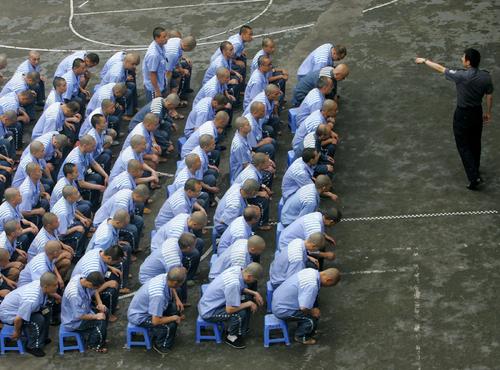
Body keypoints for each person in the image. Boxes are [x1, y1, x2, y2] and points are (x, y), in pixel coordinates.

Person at [415, 49, 494, 189]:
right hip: (477, 113)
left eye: (463, 57)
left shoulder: (460, 76)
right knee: (475, 143)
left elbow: (441, 68)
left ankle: (473, 177)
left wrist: (425, 60)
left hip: (462, 114)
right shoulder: (486, 77)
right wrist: (488, 112)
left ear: (468, 61)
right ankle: (475, 169)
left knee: (463, 145)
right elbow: (489, 95)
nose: (461, 58)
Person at [198, 263, 264, 349]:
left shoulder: (238, 270)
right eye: (254, 280)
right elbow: (230, 310)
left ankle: (241, 329)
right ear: (249, 276)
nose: (254, 282)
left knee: (246, 299)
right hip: (209, 311)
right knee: (240, 314)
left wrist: (255, 293)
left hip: (208, 303)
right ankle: (231, 337)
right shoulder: (234, 284)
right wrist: (249, 303)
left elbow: (240, 288)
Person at [272, 268, 340, 344]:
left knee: (312, 308)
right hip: (282, 310)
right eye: (329, 285)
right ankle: (301, 337)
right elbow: (304, 308)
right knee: (311, 319)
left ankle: (307, 328)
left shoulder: (310, 271)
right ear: (328, 280)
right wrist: (312, 312)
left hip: (278, 299)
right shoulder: (312, 285)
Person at [128, 268, 186, 354]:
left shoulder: (165, 276)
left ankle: (162, 333)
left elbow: (172, 288)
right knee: (170, 325)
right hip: (140, 316)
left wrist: (177, 299)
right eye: (180, 283)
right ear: (175, 282)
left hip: (148, 308)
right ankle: (161, 345)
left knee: (175, 308)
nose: (181, 285)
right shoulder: (158, 296)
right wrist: (174, 318)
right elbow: (155, 321)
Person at [0, 272, 59, 357]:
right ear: (46, 287)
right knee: (38, 319)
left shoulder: (40, 284)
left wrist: (56, 296)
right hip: (10, 315)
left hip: (22, 309)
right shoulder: (31, 299)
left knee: (47, 311)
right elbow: (18, 318)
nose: (57, 287)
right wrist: (17, 332)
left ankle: (42, 338)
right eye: (54, 285)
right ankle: (32, 347)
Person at [71, 246, 124, 322]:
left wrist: (110, 267)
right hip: (85, 287)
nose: (115, 264)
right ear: (109, 258)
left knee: (114, 276)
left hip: (92, 280)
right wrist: (107, 284)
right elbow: (92, 288)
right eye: (115, 262)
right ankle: (106, 312)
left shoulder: (100, 251)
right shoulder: (94, 269)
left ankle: (112, 304)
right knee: (110, 290)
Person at [61, 271, 108, 353]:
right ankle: (94, 345)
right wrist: (96, 316)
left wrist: (100, 303)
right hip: (73, 321)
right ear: (90, 285)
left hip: (85, 309)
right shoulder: (74, 294)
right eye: (94, 287)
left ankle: (98, 336)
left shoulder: (83, 278)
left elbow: (95, 291)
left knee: (104, 311)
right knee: (100, 321)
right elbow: (79, 316)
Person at [93, 186, 149, 252]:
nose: (144, 201)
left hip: (118, 217)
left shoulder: (130, 193)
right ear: (137, 196)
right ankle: (131, 251)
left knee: (139, 220)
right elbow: (116, 222)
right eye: (143, 199)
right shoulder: (122, 204)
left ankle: (135, 245)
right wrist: (117, 241)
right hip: (104, 221)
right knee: (132, 229)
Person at [57, 135, 108, 207]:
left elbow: (94, 163)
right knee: (94, 182)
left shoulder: (85, 152)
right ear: (85, 146)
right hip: (70, 183)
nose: (94, 149)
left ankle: (96, 203)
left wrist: (105, 175)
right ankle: (92, 205)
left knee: (97, 177)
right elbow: (81, 184)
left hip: (80, 175)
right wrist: (100, 187)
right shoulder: (76, 160)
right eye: (92, 146)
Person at [51, 186, 89, 258]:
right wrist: (76, 228)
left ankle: (82, 248)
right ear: (69, 197)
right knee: (80, 231)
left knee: (84, 223)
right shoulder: (62, 212)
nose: (78, 194)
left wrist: (82, 218)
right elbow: (62, 232)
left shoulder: (70, 200)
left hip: (68, 224)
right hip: (60, 235)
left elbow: (73, 212)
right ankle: (77, 255)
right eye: (76, 193)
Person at [143, 27, 169, 101]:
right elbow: (152, 74)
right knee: (154, 108)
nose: (166, 38)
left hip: (161, 82)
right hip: (154, 88)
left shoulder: (161, 46)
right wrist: (157, 91)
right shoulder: (154, 55)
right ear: (156, 38)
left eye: (166, 36)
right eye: (164, 37)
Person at [229, 116, 253, 182]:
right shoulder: (239, 145)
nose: (250, 126)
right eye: (248, 125)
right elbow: (245, 165)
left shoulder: (243, 135)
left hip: (247, 164)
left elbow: (250, 152)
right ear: (241, 128)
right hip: (240, 175)